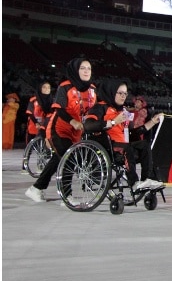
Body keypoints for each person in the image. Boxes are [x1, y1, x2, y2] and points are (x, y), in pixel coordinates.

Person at [25, 58, 97, 203]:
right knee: (68, 156)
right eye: (82, 68)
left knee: (59, 159)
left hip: (77, 131)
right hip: (59, 128)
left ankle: (36, 188)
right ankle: (67, 196)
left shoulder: (93, 89)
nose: (86, 71)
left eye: (89, 68)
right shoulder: (65, 86)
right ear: (75, 70)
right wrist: (72, 121)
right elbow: (59, 109)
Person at [84, 79, 164, 191]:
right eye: (120, 93)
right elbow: (88, 126)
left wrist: (152, 122)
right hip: (108, 147)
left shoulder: (124, 111)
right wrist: (113, 122)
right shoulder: (99, 108)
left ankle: (147, 179)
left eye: (125, 94)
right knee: (127, 147)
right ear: (111, 92)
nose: (123, 96)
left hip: (123, 145)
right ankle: (134, 182)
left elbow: (132, 133)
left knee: (145, 145)